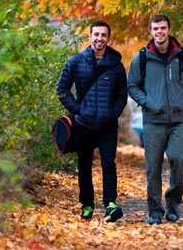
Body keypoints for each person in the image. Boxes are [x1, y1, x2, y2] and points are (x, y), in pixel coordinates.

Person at [127, 15, 183, 225]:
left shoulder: (182, 56)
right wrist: (148, 102)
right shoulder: (142, 57)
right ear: (151, 31)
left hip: (177, 119)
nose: (160, 32)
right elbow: (132, 85)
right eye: (156, 28)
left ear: (169, 29)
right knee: (153, 167)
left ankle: (173, 203)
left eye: (163, 28)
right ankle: (155, 211)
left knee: (180, 160)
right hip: (153, 121)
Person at [56, 20, 127, 222]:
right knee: (84, 165)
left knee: (108, 163)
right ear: (90, 36)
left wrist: (113, 114)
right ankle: (87, 205)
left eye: (103, 35)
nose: (100, 38)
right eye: (96, 34)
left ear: (108, 38)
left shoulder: (116, 65)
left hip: (107, 125)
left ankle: (110, 205)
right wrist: (78, 111)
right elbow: (62, 89)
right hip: (83, 125)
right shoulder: (76, 62)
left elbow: (122, 94)